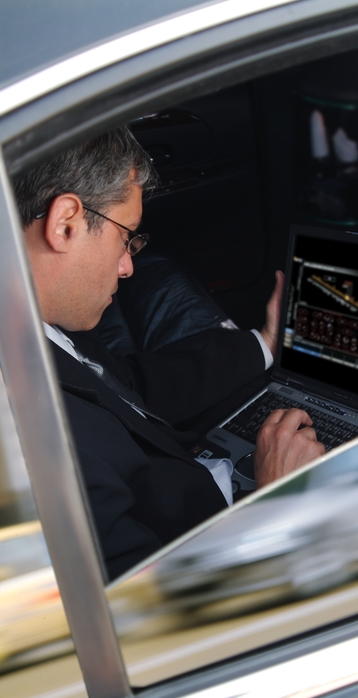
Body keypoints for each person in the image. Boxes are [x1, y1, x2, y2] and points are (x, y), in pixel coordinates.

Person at [14, 127, 325, 580]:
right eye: (126, 237)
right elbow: (153, 615)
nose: (127, 266)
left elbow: (126, 386)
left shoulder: (40, 318)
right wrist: (276, 499)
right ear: (66, 223)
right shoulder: (38, 444)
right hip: (225, 544)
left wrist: (266, 341)